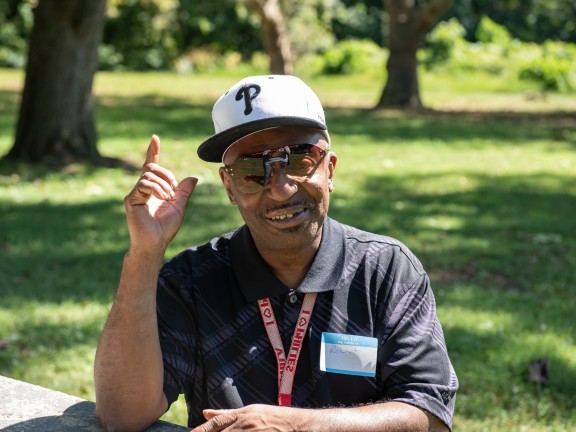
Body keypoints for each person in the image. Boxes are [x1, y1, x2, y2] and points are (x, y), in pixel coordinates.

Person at [94, 75, 458, 432]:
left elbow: (430, 414)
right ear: (229, 187)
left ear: (329, 169)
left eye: (300, 160)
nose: (281, 188)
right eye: (252, 169)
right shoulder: (191, 281)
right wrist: (144, 253)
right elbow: (122, 416)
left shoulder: (386, 270)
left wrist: (297, 426)